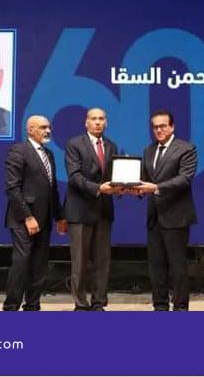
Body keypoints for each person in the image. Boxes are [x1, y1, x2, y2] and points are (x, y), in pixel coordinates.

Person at [3, 115, 67, 311]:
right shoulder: (18, 151)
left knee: (40, 264)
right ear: (30, 130)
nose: (48, 131)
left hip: (45, 218)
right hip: (23, 219)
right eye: (42, 127)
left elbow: (52, 188)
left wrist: (59, 216)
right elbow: (12, 188)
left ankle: (32, 305)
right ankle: (11, 306)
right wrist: (28, 217)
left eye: (49, 127)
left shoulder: (49, 154)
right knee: (22, 262)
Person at [137, 110, 198, 311]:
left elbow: (184, 179)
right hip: (154, 217)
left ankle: (180, 308)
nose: (159, 130)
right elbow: (145, 180)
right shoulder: (148, 150)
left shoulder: (186, 148)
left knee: (177, 267)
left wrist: (155, 188)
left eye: (163, 126)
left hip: (176, 216)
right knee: (156, 267)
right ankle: (160, 307)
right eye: (155, 127)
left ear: (172, 127)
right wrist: (134, 189)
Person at [64, 108, 120, 311]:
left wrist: (122, 186)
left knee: (102, 262)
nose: (98, 122)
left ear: (106, 122)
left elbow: (114, 176)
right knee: (79, 262)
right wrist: (98, 189)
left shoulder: (111, 146)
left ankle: (98, 303)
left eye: (101, 119)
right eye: (93, 119)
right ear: (86, 123)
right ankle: (80, 304)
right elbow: (74, 176)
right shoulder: (74, 144)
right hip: (80, 211)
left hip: (104, 211)